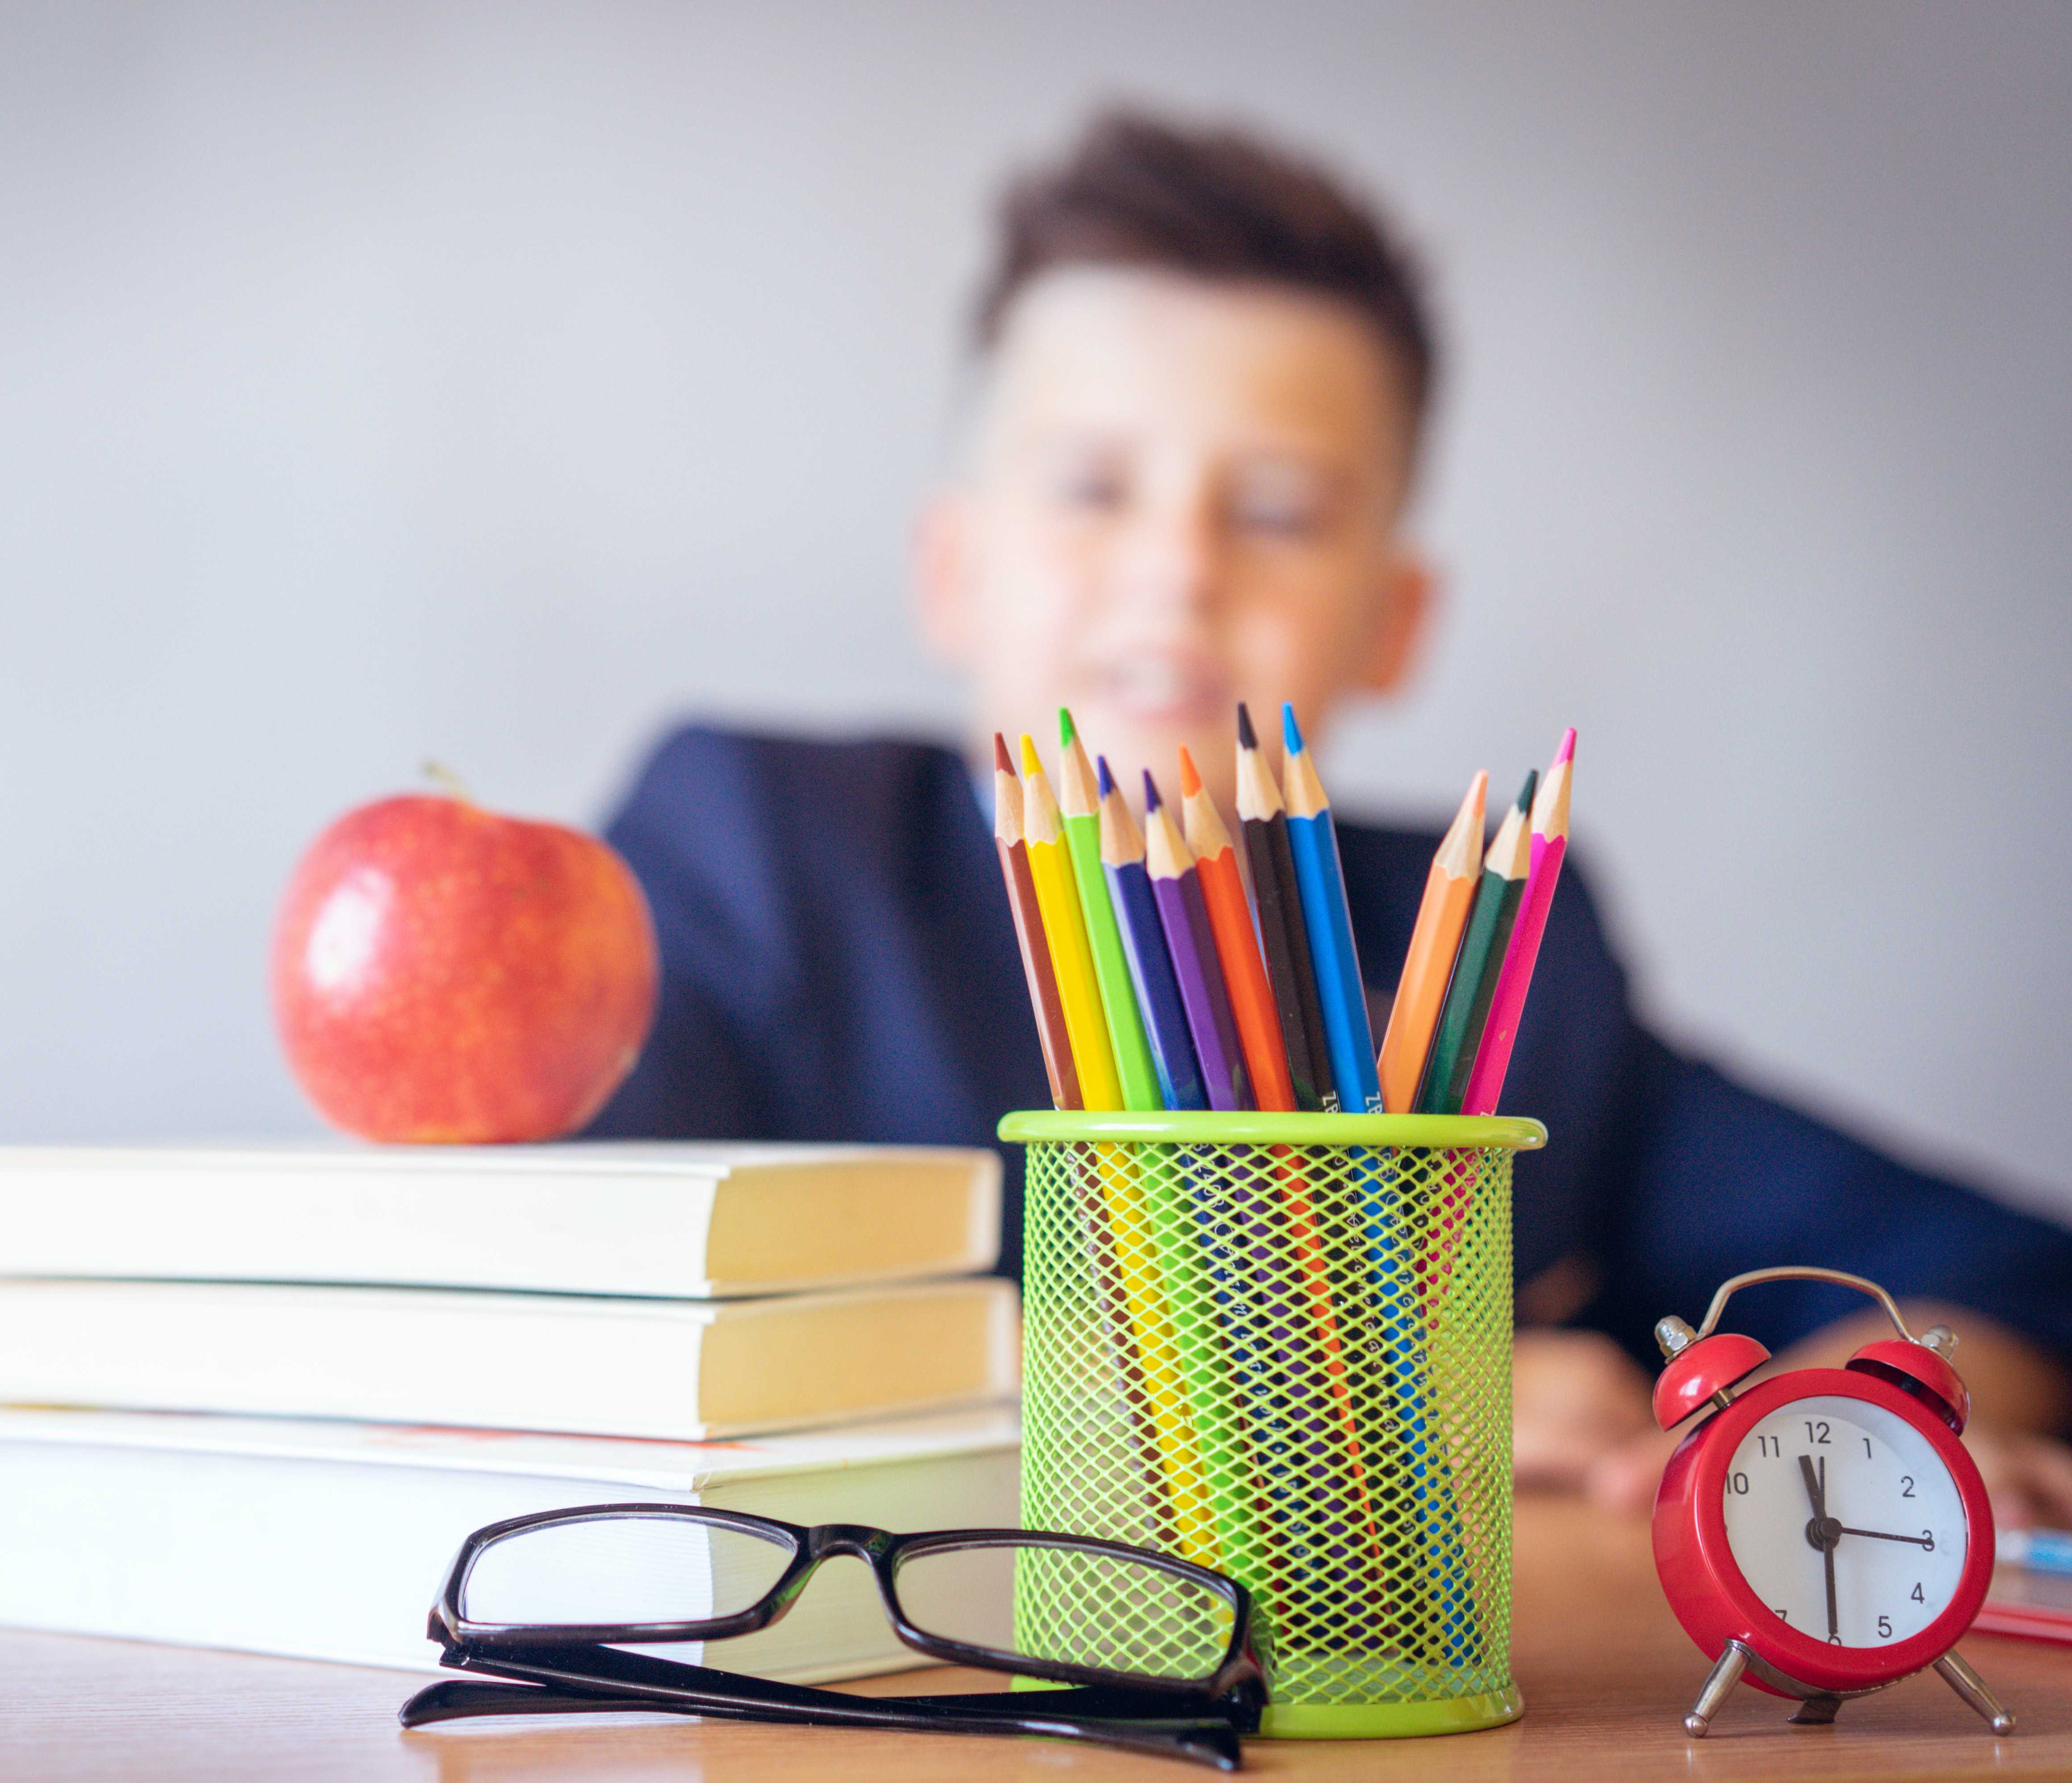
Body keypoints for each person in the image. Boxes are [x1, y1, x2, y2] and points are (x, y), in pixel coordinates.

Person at [584, 110, 2072, 1525]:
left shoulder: (1490, 945)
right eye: (1093, 487)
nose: (1176, 568)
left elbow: (1992, 1270)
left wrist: (1858, 1419)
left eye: (1281, 512)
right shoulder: (759, 846)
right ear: (952, 571)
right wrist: (1371, 1405)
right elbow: (579, 1303)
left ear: (1395, 623)